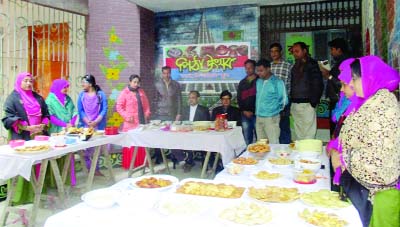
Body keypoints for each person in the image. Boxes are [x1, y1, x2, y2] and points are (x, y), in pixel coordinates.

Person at [332, 56, 400, 227]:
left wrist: (342, 158)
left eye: (354, 79)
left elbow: (378, 165)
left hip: (379, 198)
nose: (351, 85)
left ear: (369, 77)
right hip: (364, 192)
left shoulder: (384, 108)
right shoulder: (370, 102)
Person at [2, 72, 50, 205]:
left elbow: (46, 114)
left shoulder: (38, 97)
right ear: (19, 82)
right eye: (25, 81)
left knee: (37, 165)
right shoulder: (12, 98)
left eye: (30, 81)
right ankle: (20, 197)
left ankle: (37, 193)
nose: (29, 83)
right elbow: (7, 118)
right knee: (22, 165)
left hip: (38, 137)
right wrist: (25, 127)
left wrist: (43, 124)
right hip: (21, 137)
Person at [45, 79, 78, 187]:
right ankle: (56, 182)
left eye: (67, 87)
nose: (66, 89)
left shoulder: (67, 98)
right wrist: (64, 125)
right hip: (56, 132)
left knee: (69, 155)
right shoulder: (50, 100)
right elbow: (50, 117)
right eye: (64, 87)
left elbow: (74, 111)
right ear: (58, 87)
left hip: (69, 131)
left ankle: (69, 181)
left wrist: (71, 123)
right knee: (57, 156)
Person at [290, 42, 323, 140]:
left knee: (309, 133)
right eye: (293, 52)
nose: (295, 54)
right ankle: (301, 153)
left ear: (304, 51)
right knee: (298, 133)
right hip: (295, 104)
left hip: (307, 104)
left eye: (297, 51)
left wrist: (313, 102)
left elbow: (318, 84)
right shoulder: (295, 66)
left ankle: (308, 154)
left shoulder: (312, 64)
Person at [116, 74, 151, 169]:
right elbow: (119, 107)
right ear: (130, 82)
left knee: (141, 143)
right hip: (130, 123)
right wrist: (127, 117)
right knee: (131, 145)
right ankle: (131, 165)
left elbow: (147, 105)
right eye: (134, 82)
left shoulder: (141, 91)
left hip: (141, 122)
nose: (136, 84)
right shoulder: (124, 93)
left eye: (137, 82)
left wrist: (146, 114)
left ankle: (141, 164)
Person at [77, 74, 108, 175]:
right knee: (87, 149)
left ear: (90, 84)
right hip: (85, 125)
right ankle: (89, 169)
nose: (82, 84)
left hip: (98, 125)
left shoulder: (100, 94)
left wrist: (96, 121)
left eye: (84, 82)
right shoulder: (81, 95)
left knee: (97, 149)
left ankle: (96, 169)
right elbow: (80, 110)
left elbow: (104, 109)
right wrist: (87, 121)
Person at [152, 66, 182, 164]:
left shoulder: (176, 85)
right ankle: (159, 157)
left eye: (168, 73)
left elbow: (179, 100)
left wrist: (179, 113)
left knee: (174, 137)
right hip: (160, 114)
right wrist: (154, 115)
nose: (166, 75)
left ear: (170, 73)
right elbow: (154, 100)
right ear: (162, 73)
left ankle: (175, 157)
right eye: (164, 73)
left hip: (172, 114)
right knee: (158, 137)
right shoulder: (156, 84)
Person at [321, 38, 350, 137]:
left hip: (340, 101)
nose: (331, 52)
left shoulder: (345, 63)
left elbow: (342, 84)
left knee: (337, 131)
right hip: (336, 100)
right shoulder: (338, 62)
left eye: (332, 49)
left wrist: (328, 76)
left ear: (339, 49)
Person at [255, 59, 288, 144]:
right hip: (258, 117)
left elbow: (284, 101)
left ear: (268, 69)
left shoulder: (277, 82)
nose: (259, 73)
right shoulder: (258, 82)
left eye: (261, 71)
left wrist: (274, 112)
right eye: (257, 71)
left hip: (271, 118)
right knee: (261, 145)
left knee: (274, 144)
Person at [177, 90, 210, 172]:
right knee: (174, 142)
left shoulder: (204, 110)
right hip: (186, 134)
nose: (190, 100)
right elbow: (181, 123)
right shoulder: (184, 109)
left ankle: (191, 162)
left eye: (193, 98)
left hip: (199, 134)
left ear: (198, 99)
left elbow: (206, 124)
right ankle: (187, 161)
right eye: (189, 98)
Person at [269, 43, 292, 144]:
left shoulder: (288, 66)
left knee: (284, 127)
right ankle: (274, 152)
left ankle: (285, 151)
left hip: (283, 102)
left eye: (276, 51)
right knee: (272, 127)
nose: (273, 53)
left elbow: (292, 84)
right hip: (270, 103)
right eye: (271, 51)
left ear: (280, 52)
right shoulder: (268, 67)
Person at [237, 59, 257, 145]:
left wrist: (254, 111)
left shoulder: (259, 80)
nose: (248, 70)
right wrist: (244, 111)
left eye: (250, 68)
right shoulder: (242, 82)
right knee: (247, 138)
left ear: (254, 68)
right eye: (246, 68)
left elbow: (261, 98)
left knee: (260, 138)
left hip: (257, 114)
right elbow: (239, 98)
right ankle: (247, 157)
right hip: (245, 114)